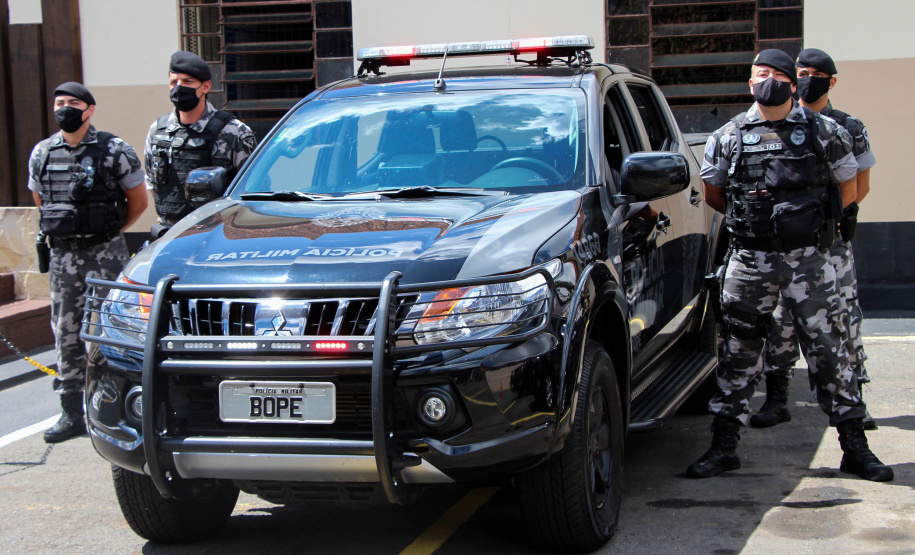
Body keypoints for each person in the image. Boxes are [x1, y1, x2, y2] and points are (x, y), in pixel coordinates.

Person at [689, 49, 892, 482]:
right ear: (749, 83)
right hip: (750, 261)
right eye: (760, 74)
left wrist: (810, 220)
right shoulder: (729, 134)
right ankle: (723, 448)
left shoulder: (826, 131)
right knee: (737, 353)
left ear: (791, 82)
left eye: (779, 75)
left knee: (830, 352)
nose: (770, 81)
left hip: (811, 261)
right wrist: (760, 224)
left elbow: (851, 185)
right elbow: (713, 194)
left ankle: (855, 449)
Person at [753, 48, 877, 430]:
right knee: (780, 320)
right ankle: (777, 398)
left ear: (830, 80)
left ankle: (852, 399)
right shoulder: (773, 123)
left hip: (829, 243)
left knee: (840, 319)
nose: (805, 79)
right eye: (800, 72)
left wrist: (817, 219)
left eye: (813, 73)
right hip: (784, 245)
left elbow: (859, 186)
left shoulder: (846, 127)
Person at [29, 82, 148, 443]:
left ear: (90, 109)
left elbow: (138, 202)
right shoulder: (43, 152)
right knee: (65, 332)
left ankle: (120, 404)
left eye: (74, 103)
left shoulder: (114, 150)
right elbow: (40, 198)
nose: (65, 108)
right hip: (64, 256)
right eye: (60, 102)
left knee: (112, 328)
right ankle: (70, 412)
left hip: (104, 253)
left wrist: (105, 232)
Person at [145, 51, 257, 232]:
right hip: (169, 233)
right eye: (174, 82)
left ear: (205, 87)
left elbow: (250, 191)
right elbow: (152, 183)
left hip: (217, 233)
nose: (179, 87)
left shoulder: (233, 132)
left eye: (188, 82)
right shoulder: (158, 132)